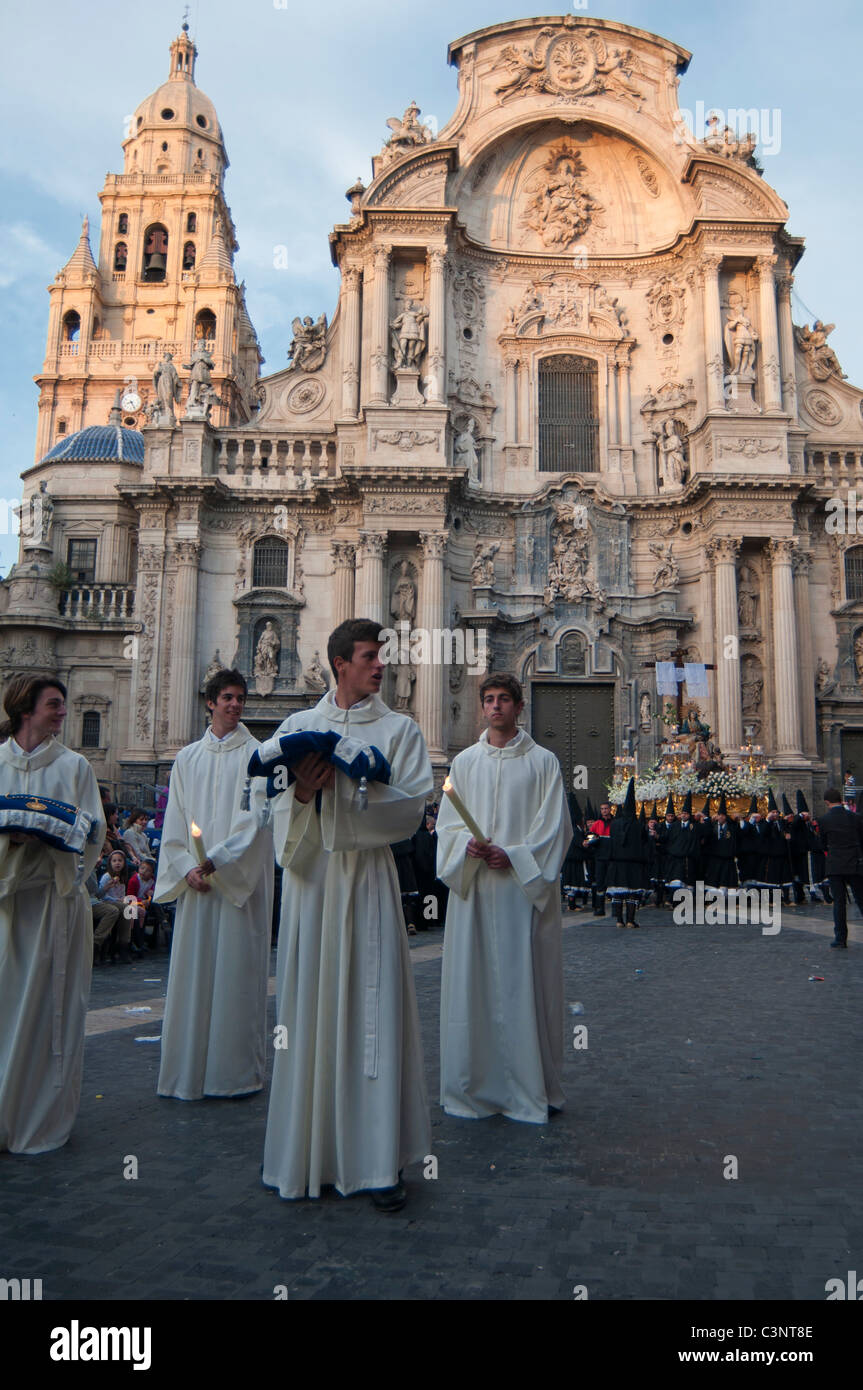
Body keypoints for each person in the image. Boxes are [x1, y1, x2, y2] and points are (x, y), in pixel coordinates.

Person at [262, 619, 434, 1211]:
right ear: (340, 663)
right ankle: (306, 1154)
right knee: (308, 1009)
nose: (379, 665)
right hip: (313, 882)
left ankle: (377, 1161)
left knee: (372, 1010)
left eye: (381, 656)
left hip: (367, 884)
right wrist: (306, 795)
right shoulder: (297, 727)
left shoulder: (401, 729)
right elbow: (273, 809)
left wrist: (354, 793)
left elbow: (412, 807)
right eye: (369, 656)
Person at [436, 672, 572, 1124]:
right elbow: (449, 827)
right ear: (481, 707)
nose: (495, 707)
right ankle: (474, 1086)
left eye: (504, 700)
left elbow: (554, 829)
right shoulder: (464, 764)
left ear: (519, 707)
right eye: (489, 700)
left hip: (520, 896)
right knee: (472, 989)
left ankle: (527, 1085)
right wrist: (465, 848)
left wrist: (512, 856)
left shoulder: (544, 763)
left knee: (523, 987)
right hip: (473, 892)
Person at [154, 669, 274, 1100]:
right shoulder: (187, 759)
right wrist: (187, 865)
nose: (235, 705)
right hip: (197, 887)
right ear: (210, 702)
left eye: (240, 698)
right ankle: (187, 1071)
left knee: (236, 977)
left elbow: (259, 821)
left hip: (236, 886)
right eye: (227, 697)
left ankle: (234, 1073)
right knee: (193, 976)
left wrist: (216, 862)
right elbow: (175, 820)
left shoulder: (261, 756)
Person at [0, 675, 105, 1153]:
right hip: (5, 906)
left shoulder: (75, 766)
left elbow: (93, 833)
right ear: (26, 710)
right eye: (54, 705)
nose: (63, 712)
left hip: (53, 903)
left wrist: (55, 839)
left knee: (47, 1012)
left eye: (64, 705)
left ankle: (38, 1116)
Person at [818, 788, 863, 948]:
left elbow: (822, 843)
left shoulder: (823, 820)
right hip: (854, 863)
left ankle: (840, 938)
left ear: (827, 802)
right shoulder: (855, 818)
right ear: (841, 799)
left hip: (835, 865)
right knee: (860, 900)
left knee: (839, 903)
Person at [606, 783, 648, 927]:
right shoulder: (638, 825)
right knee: (632, 893)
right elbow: (644, 842)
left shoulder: (615, 824)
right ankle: (630, 920)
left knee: (618, 893)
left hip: (617, 862)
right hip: (633, 863)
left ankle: (619, 921)